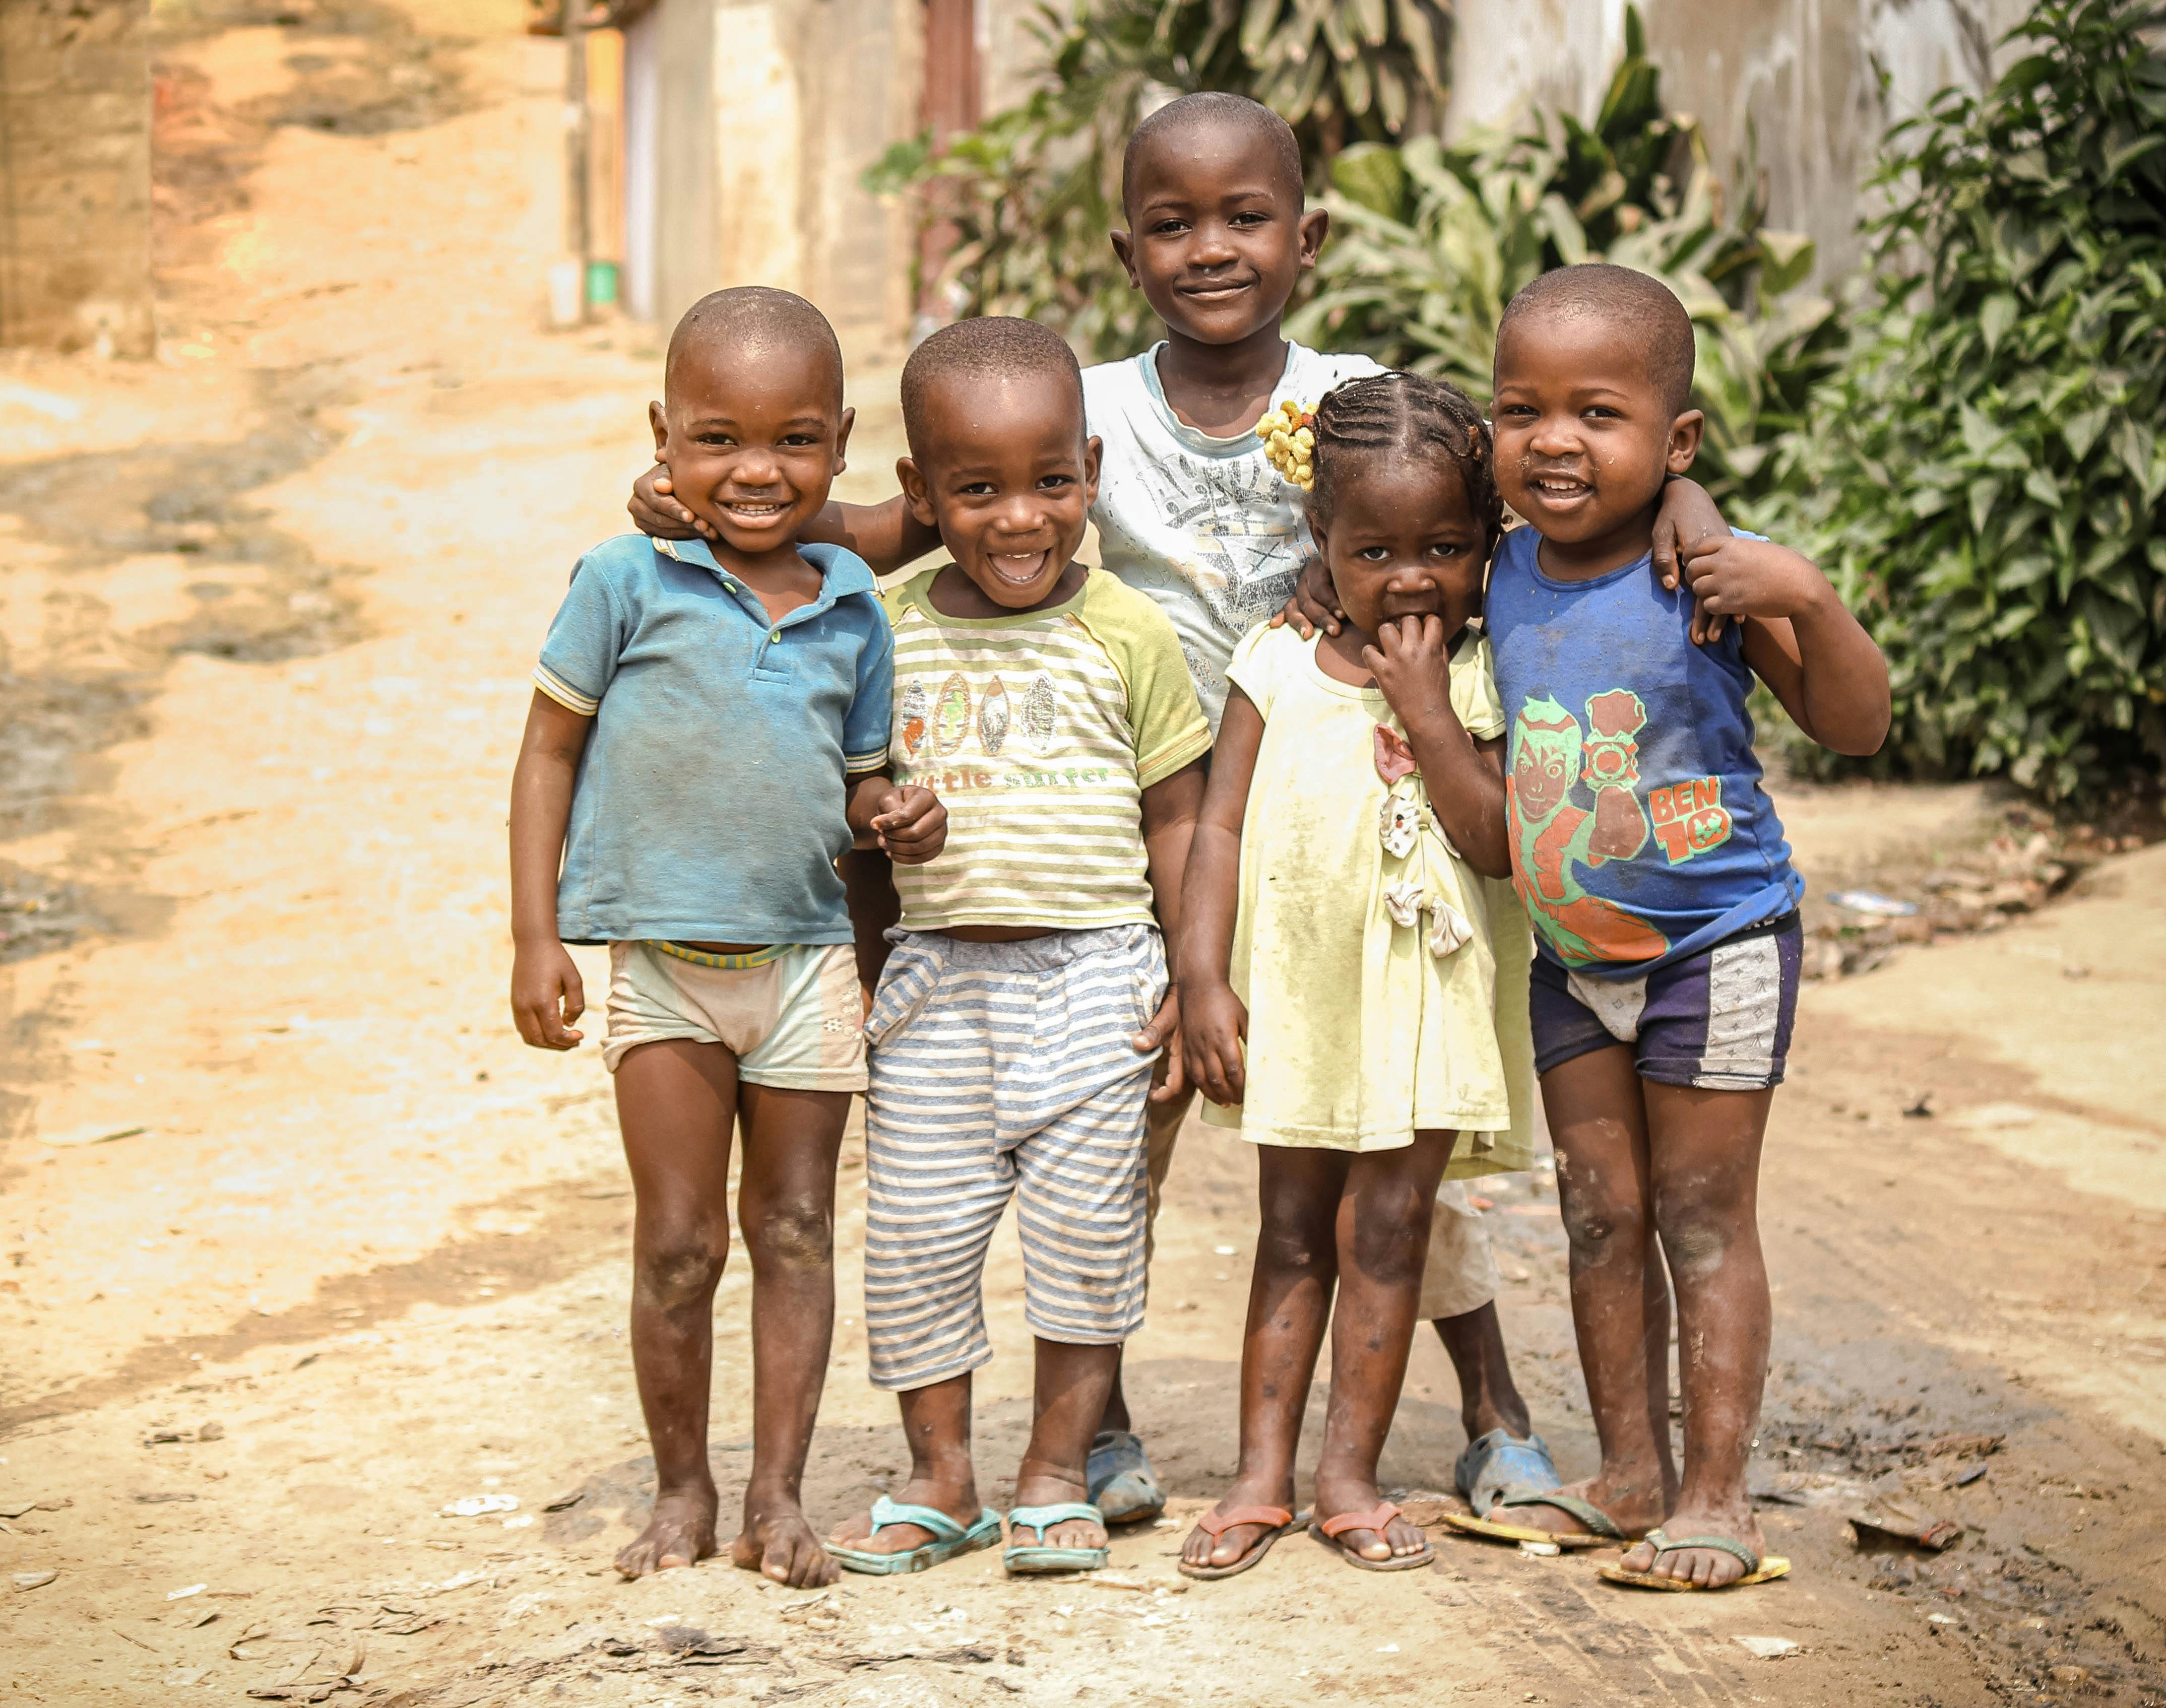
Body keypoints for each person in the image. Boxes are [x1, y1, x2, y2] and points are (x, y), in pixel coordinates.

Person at [624, 94, 1713, 1522]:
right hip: (1158, 819)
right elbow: (925, 515)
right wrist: (724, 507)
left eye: (1246, 217)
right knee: (1119, 1135)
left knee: (1390, 1135)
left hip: (1352, 812)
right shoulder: (1095, 410)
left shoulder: (1354, 395)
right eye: (1173, 221)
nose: (1212, 247)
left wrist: (1695, 519)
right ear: (1124, 246)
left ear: (1306, 236)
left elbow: (1508, 507)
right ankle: (1105, 1425)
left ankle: (1490, 1396)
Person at [507, 288, 946, 1590]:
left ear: (842, 442)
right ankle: (684, 1487)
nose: (757, 471)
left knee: (799, 1226)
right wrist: (539, 935)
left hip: (807, 958)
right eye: (717, 438)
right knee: (680, 1239)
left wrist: (897, 811)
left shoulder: (855, 598)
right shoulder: (622, 577)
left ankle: (780, 1496)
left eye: (795, 439)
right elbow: (547, 753)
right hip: (666, 962)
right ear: (662, 435)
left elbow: (859, 780)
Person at [1474, 264, 1889, 1590]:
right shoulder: (1495, 570)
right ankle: (1628, 1475)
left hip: (1716, 945)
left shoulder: (1702, 572)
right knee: (1600, 1214)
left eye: (1597, 412)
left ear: (1676, 441)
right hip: (1571, 958)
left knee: (1701, 1217)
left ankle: (1717, 1492)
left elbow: (1856, 724)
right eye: (1519, 408)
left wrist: (1806, 595)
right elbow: (1372, 514)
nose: (1552, 440)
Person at [820, 315, 1212, 1578]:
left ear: (1091, 472)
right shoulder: (877, 626)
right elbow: (845, 798)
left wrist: (1191, 977)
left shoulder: (1128, 633)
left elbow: (1180, 816)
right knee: (918, 1242)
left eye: (1050, 482)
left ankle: (1055, 1472)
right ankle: (941, 1478)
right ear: (919, 493)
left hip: (1100, 975)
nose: (1018, 518)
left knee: (1086, 1238)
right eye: (974, 489)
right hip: (936, 985)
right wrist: (878, 832)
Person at [1175, 371, 1535, 1576]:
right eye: (1373, 547)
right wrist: (1204, 978)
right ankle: (1258, 1478)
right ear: (1319, 545)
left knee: (1385, 1233)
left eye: (1445, 545)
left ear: (1487, 544)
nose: (1412, 575)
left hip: (1422, 1005)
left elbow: (1492, 840)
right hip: (1304, 1000)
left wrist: (1428, 710)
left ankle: (1348, 1478)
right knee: (1288, 1233)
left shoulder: (1481, 677)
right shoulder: (1272, 666)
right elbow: (1216, 828)